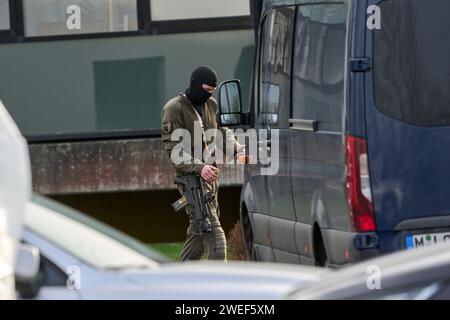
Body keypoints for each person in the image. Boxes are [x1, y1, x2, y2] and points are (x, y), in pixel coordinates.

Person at [161, 66, 243, 261]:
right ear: (196, 85)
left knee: (198, 235)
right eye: (206, 90)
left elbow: (222, 131)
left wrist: (237, 148)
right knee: (217, 240)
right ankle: (217, 289)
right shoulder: (174, 109)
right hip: (191, 181)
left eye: (212, 91)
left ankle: (179, 283)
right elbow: (175, 151)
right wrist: (200, 167)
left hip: (210, 180)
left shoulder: (211, 105)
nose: (208, 95)